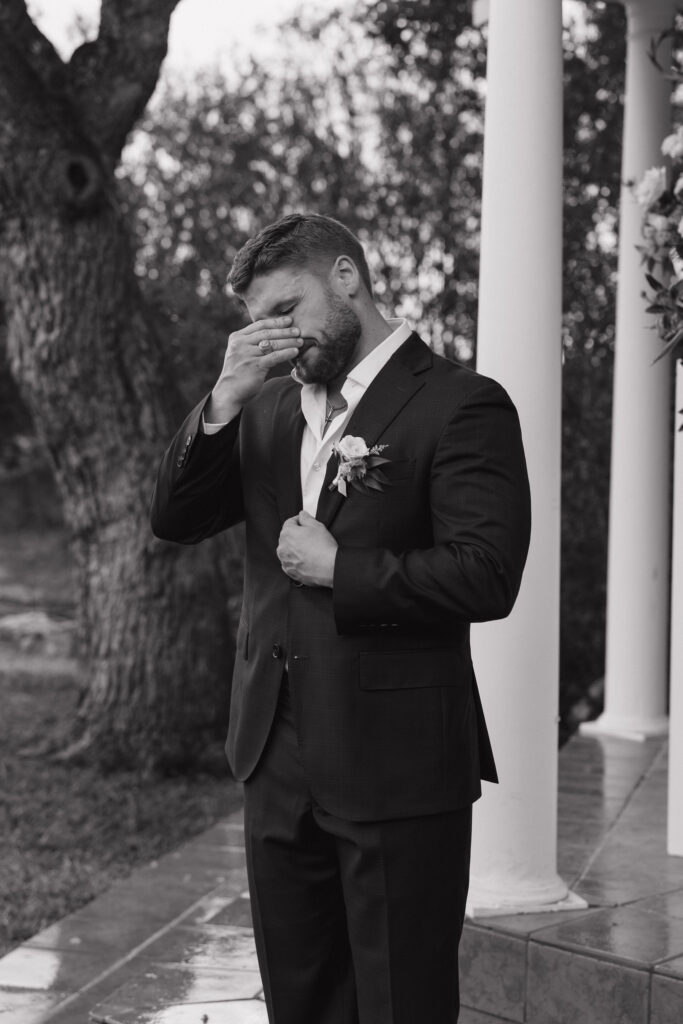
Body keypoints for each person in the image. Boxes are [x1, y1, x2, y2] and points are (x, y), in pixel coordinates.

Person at [150, 213, 531, 1024]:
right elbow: (174, 519)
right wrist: (221, 399)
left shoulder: (462, 405)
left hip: (396, 763)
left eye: (287, 310)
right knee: (300, 998)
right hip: (274, 754)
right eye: (258, 321)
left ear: (348, 278)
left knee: (400, 1002)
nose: (274, 336)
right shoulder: (263, 410)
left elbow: (486, 575)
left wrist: (341, 570)